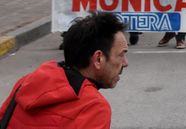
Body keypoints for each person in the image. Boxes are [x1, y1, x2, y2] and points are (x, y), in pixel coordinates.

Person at [0, 12, 128, 129]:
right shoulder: (94, 107)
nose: (125, 63)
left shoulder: (26, 82)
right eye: (121, 55)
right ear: (98, 59)